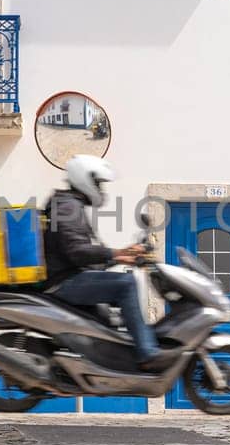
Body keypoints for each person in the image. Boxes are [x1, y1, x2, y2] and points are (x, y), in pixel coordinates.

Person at [44, 156, 166, 371]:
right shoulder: (67, 207)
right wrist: (117, 254)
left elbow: (83, 256)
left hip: (69, 277)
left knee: (115, 301)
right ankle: (148, 354)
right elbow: (77, 251)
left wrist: (120, 255)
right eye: (99, 183)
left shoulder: (70, 205)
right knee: (126, 284)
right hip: (63, 282)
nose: (101, 189)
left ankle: (115, 359)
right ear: (85, 179)